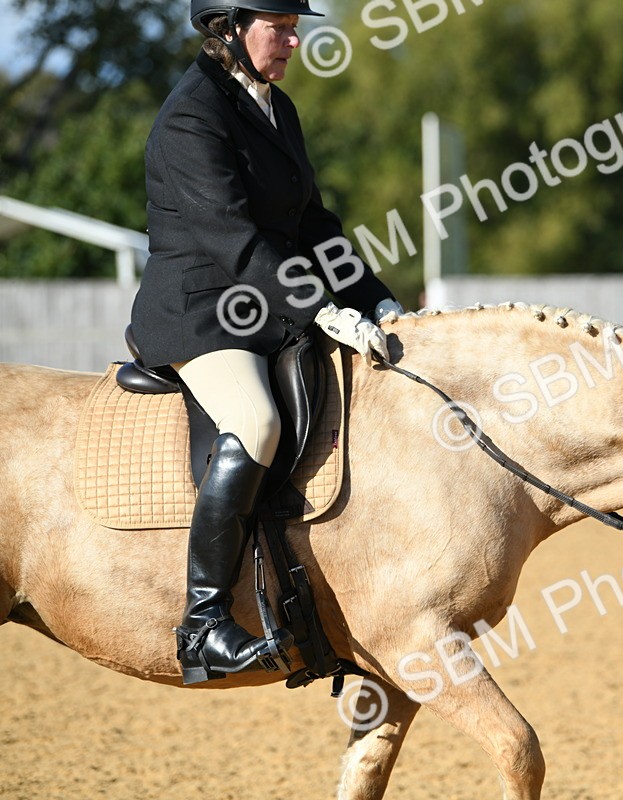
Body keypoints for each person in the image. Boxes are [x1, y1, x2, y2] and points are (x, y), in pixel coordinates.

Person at [129, 0, 404, 685]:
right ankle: (204, 625)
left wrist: (375, 298)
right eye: (278, 26)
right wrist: (321, 308)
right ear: (227, 26)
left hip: (265, 309)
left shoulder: (274, 107)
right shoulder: (193, 115)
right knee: (257, 421)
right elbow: (235, 241)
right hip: (200, 312)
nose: (292, 40)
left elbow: (312, 225)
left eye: (294, 27)